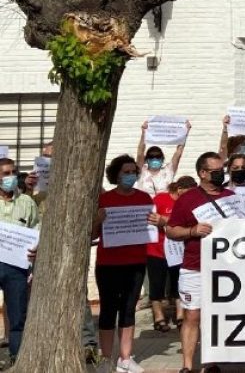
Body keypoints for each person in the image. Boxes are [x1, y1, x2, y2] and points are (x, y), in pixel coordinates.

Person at [166, 152, 234, 373]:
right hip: (194, 267)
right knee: (192, 315)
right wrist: (192, 230)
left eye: (222, 170)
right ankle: (187, 365)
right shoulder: (187, 199)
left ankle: (210, 363)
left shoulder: (231, 196)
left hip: (225, 268)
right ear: (202, 173)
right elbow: (171, 230)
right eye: (215, 171)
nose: (220, 174)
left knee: (216, 317)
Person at [93, 155, 155, 373]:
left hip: (136, 261)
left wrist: (157, 222)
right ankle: (106, 358)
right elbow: (92, 235)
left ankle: (125, 358)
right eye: (126, 172)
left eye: (133, 172)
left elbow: (152, 229)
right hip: (108, 263)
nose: (130, 176)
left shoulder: (145, 198)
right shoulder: (104, 199)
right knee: (108, 310)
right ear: (116, 174)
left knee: (128, 310)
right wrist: (98, 220)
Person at [0, 158, 38, 365]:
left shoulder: (26, 202)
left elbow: (37, 230)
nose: (11, 177)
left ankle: (17, 358)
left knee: (17, 316)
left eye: (13, 172)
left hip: (16, 267)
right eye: (6, 173)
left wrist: (35, 249)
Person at [147, 177, 196, 333]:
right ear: (179, 189)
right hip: (157, 249)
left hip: (178, 251)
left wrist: (165, 221)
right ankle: (159, 317)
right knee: (157, 285)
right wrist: (162, 221)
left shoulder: (188, 203)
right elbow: (150, 218)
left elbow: (190, 223)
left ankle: (180, 316)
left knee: (178, 285)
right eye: (187, 193)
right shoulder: (161, 199)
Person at [135, 120, 190, 197]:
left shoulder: (168, 171)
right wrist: (144, 133)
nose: (155, 159)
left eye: (158, 157)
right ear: (147, 159)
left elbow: (178, 153)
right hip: (145, 207)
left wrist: (185, 132)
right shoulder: (141, 171)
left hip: (164, 207)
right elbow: (140, 153)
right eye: (151, 156)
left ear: (162, 159)